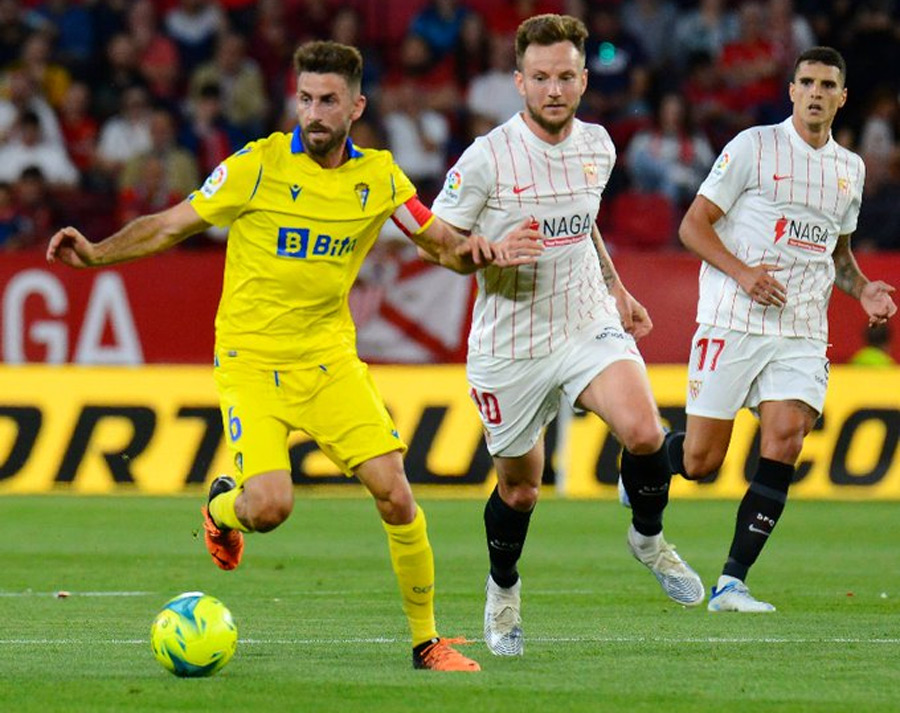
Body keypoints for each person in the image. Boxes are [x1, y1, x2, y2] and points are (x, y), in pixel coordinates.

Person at [47, 40, 537, 672]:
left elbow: (436, 242)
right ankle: (224, 507)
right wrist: (97, 253)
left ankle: (427, 642)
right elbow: (173, 223)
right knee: (271, 509)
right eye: (304, 98)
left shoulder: (379, 176)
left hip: (329, 360)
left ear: (355, 107)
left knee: (396, 494)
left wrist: (482, 249)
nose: (313, 113)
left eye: (328, 101)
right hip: (251, 359)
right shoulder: (256, 165)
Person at [428, 14, 705, 658]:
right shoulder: (487, 157)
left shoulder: (600, 146)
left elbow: (582, 224)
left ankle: (647, 537)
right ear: (519, 81)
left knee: (643, 431)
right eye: (541, 78)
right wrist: (488, 252)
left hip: (584, 317)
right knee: (520, 488)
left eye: (567, 77)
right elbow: (436, 245)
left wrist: (616, 286)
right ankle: (502, 592)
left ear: (583, 81)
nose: (554, 89)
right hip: (511, 340)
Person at [672, 46, 897, 612]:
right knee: (700, 464)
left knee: (786, 441)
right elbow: (693, 227)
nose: (816, 92)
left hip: (800, 329)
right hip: (733, 316)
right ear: (791, 91)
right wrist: (744, 273)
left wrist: (864, 287)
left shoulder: (851, 169)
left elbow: (837, 257)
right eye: (807, 82)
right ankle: (643, 463)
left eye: (827, 85)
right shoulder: (753, 146)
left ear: (842, 98)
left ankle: (731, 582)